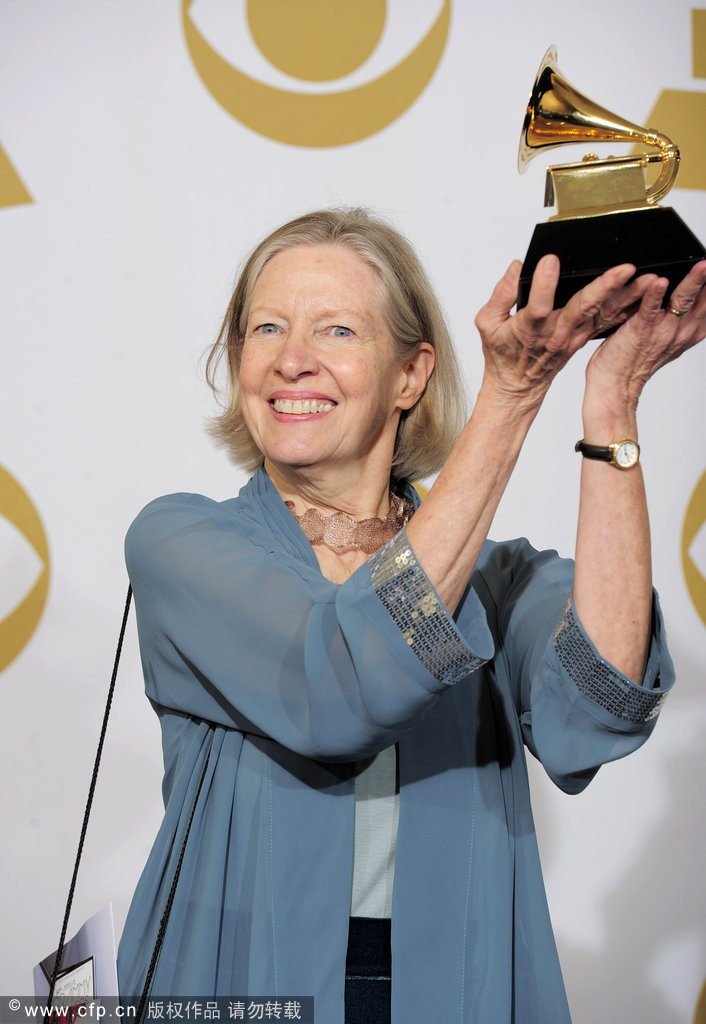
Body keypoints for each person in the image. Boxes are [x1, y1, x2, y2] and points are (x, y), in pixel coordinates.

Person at [117, 208, 706, 1023]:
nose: (293, 360)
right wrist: (514, 392)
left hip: (449, 993)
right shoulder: (182, 542)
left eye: (336, 331)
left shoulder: (495, 580)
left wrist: (614, 400)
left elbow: (597, 713)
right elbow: (340, 686)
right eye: (267, 328)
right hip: (241, 985)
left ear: (410, 376)